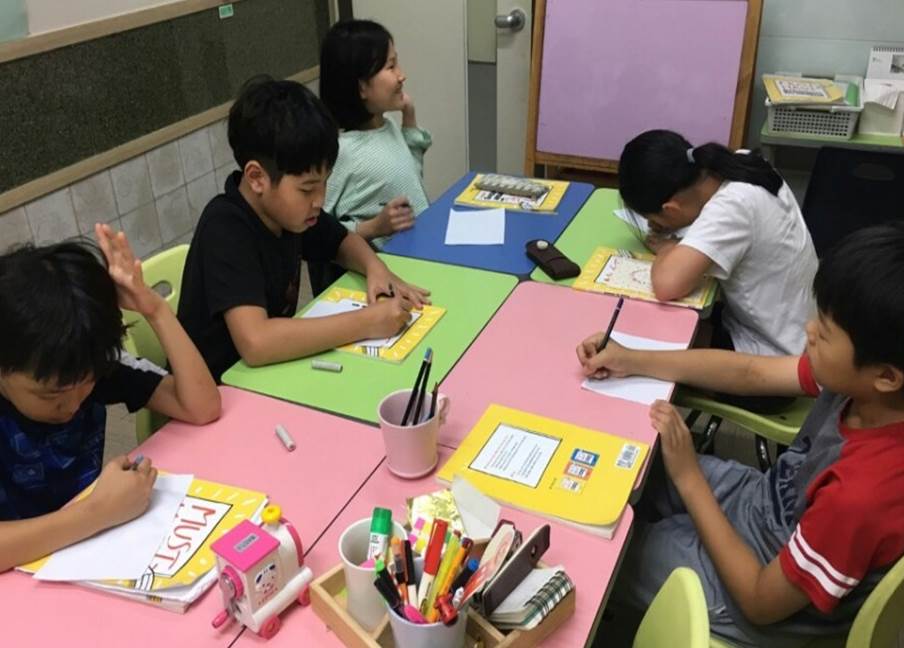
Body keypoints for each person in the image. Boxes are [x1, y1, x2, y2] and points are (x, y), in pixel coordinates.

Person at [577, 223, 904, 645]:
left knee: (606, 551)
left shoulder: (860, 496)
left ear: (887, 376)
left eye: (823, 333)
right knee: (628, 468)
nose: (808, 331)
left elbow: (759, 602)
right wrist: (632, 359)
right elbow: (751, 371)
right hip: (767, 507)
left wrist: (690, 478)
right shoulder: (862, 386)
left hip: (761, 594)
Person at [178, 76, 430, 381]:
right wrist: (367, 321)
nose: (319, 200)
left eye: (324, 183)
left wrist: (375, 267)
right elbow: (256, 342)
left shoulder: (288, 212)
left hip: (270, 375)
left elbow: (341, 241)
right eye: (307, 188)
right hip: (218, 389)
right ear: (256, 178)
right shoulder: (226, 227)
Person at [0, 225, 220, 571]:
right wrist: (96, 513)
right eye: (51, 396)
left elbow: (202, 406)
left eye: (86, 384)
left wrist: (154, 308)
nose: (73, 405)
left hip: (80, 551)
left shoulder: (90, 364)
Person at [618, 129, 817, 358]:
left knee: (650, 344)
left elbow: (667, 285)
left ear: (671, 209)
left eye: (655, 221)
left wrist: (667, 248)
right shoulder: (741, 162)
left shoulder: (732, 207)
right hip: (797, 328)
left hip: (774, 354)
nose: (655, 226)